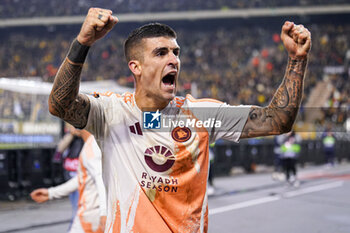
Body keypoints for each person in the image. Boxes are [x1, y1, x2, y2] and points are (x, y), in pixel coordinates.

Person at [48, 7, 311, 233]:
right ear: (135, 67)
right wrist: (82, 43)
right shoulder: (110, 112)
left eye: (176, 52)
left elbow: (277, 120)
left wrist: (297, 61)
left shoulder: (203, 115)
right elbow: (61, 105)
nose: (174, 60)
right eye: (161, 53)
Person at [30, 129, 107, 233]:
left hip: (90, 216)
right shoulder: (92, 144)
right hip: (92, 216)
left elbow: (100, 180)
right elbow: (82, 178)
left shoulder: (91, 148)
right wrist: (50, 193)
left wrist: (104, 213)